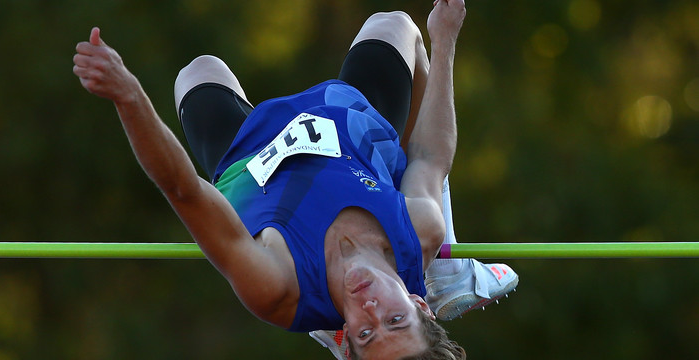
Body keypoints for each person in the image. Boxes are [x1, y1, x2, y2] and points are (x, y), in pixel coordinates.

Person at [73, 0, 517, 358]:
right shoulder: (417, 230)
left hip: (247, 154)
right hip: (349, 120)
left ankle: (354, 317)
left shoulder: (277, 285)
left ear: (347, 339)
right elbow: (428, 157)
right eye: (395, 319)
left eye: (364, 334)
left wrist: (129, 97)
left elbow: (183, 189)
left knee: (198, 71)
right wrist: (446, 37)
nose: (370, 308)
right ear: (419, 307)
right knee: (398, 25)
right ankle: (445, 269)